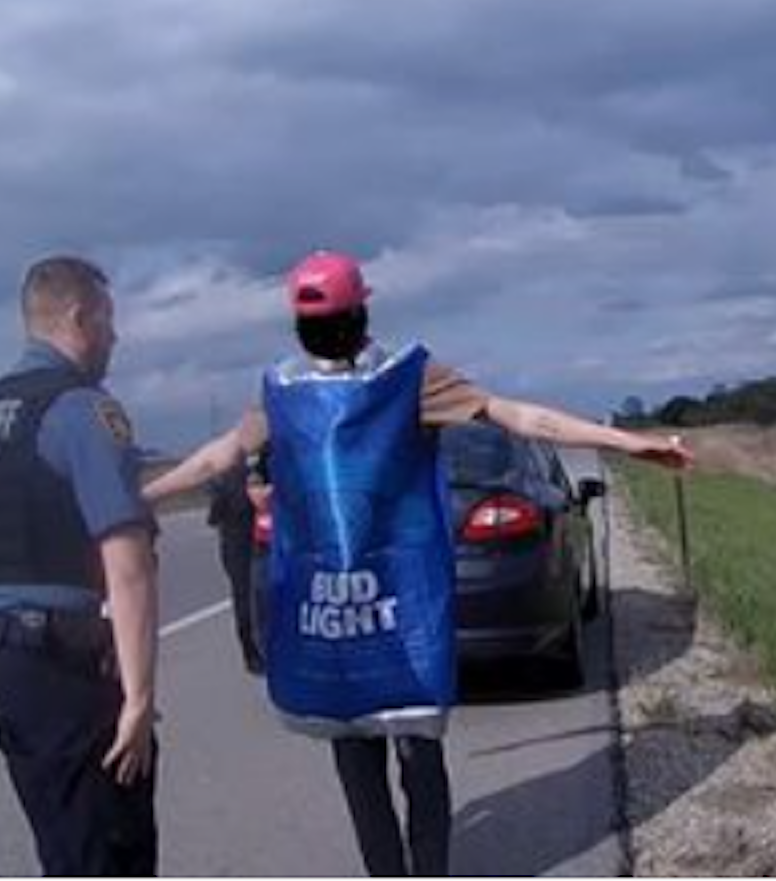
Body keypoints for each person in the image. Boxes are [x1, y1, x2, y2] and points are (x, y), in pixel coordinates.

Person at [145, 250, 692, 877]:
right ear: (363, 312)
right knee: (416, 746)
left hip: (336, 608)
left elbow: (218, 457)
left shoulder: (285, 392)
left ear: (299, 325)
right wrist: (630, 443)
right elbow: (521, 416)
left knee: (354, 749)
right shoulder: (411, 377)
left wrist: (137, 499)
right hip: (400, 602)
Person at [0, 256, 160, 876]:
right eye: (109, 321)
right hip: (69, 667)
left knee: (61, 845)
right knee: (111, 850)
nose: (115, 337)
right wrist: (140, 701)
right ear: (78, 316)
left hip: (2, 662)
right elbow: (129, 566)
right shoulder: (82, 410)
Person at [206, 446, 264, 674]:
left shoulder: (226, 482)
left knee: (244, 598)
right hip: (251, 543)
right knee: (255, 598)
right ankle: (257, 650)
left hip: (238, 545)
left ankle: (252, 653)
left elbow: (213, 517)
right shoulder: (252, 478)